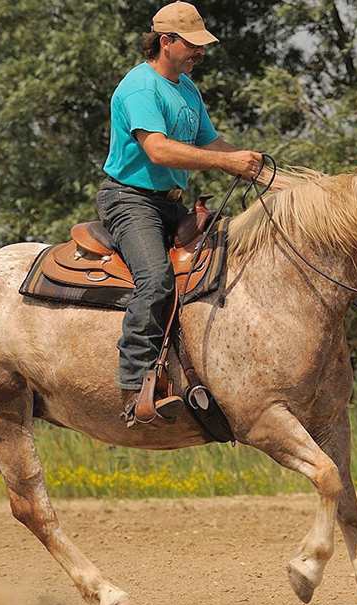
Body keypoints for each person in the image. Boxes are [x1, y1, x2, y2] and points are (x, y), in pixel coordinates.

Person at [97, 1, 262, 427]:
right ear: (165, 42)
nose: (200, 53)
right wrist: (226, 165)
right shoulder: (139, 87)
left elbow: (212, 144)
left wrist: (265, 173)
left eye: (202, 45)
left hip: (171, 203)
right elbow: (157, 148)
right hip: (130, 201)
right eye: (193, 45)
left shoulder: (186, 88)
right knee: (155, 278)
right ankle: (134, 389)